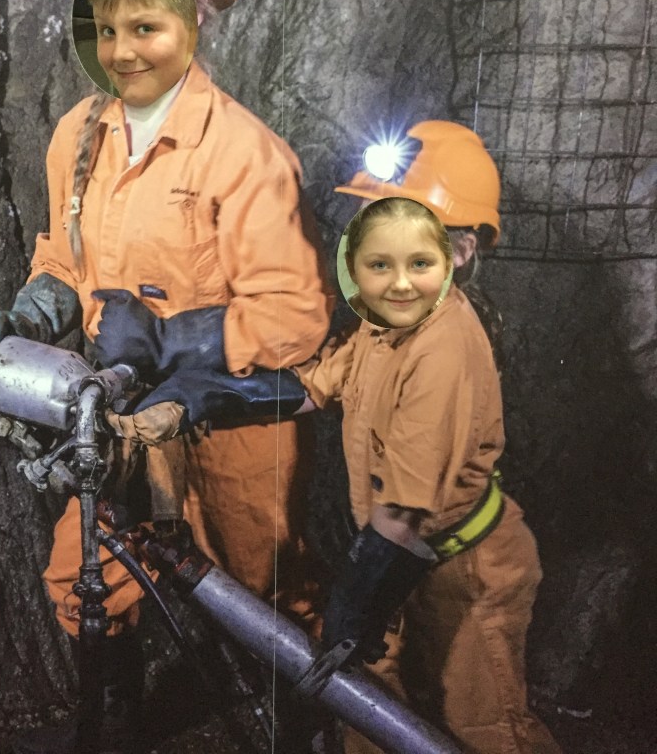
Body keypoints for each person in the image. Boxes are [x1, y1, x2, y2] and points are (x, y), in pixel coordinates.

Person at [0, 0, 330, 752]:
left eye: (145, 15)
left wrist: (172, 340)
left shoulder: (245, 154)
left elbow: (297, 316)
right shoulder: (76, 137)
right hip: (117, 416)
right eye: (104, 16)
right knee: (83, 577)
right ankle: (112, 727)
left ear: (197, 11)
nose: (121, 42)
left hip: (233, 429)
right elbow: (64, 260)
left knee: (265, 594)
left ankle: (299, 729)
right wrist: (25, 313)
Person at [129, 124, 562, 754]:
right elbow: (313, 386)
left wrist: (351, 612)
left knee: (484, 727)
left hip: (463, 567)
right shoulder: (386, 323)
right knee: (366, 712)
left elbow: (402, 512)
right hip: (396, 555)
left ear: (461, 250)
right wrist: (204, 394)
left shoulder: (443, 350)